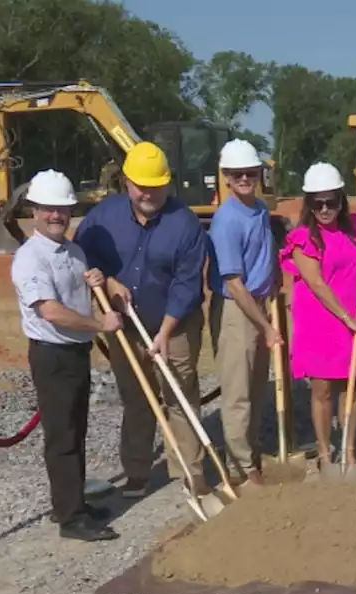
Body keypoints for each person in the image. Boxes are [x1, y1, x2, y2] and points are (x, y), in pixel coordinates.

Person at [73, 141, 209, 499]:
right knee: (137, 398)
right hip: (126, 325)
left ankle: (189, 472)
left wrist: (164, 333)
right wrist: (108, 280)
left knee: (178, 394)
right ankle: (137, 471)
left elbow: (187, 284)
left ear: (168, 182)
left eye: (156, 184)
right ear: (127, 183)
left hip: (176, 324)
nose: (148, 191)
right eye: (140, 184)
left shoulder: (185, 224)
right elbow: (80, 252)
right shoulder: (104, 216)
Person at [10, 169, 121, 542]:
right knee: (62, 437)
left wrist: (95, 283)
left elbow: (76, 294)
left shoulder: (74, 251)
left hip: (75, 352)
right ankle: (70, 518)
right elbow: (51, 311)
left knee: (77, 430)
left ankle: (74, 504)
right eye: (48, 210)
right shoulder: (30, 258)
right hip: (52, 355)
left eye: (62, 209)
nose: (56, 216)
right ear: (34, 212)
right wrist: (99, 324)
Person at [280, 161, 356, 471]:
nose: (325, 209)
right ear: (308, 204)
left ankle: (350, 451)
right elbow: (317, 284)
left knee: (350, 386)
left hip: (352, 313)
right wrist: (347, 318)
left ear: (341, 199)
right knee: (323, 389)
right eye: (317, 203)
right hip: (321, 319)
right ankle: (325, 453)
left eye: (331, 202)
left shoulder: (355, 231)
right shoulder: (303, 238)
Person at [204, 139, 282, 487]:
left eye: (250, 172)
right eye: (237, 174)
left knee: (256, 387)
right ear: (226, 176)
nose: (245, 178)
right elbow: (234, 282)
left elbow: (265, 253)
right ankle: (240, 470)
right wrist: (266, 327)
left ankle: (251, 454)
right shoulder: (226, 221)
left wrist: (275, 283)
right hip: (238, 310)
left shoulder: (261, 209)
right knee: (237, 393)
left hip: (260, 302)